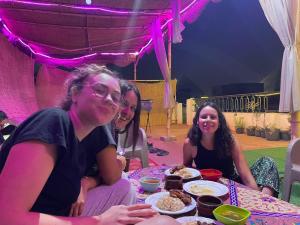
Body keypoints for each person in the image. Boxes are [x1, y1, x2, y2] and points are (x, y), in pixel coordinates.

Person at [0, 64, 179, 225]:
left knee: (158, 216)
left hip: (61, 213)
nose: (110, 100)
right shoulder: (53, 121)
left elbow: (109, 177)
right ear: (75, 93)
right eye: (100, 90)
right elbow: (6, 217)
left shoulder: (83, 139)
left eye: (116, 98)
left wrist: (86, 184)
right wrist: (99, 221)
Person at [70, 80, 142, 217]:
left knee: (125, 178)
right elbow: (111, 176)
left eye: (133, 108)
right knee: (126, 188)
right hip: (69, 203)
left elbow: (103, 173)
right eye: (124, 104)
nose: (128, 112)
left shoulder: (107, 127)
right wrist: (121, 161)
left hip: (78, 188)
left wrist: (89, 182)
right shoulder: (103, 123)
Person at [183, 101, 280, 196]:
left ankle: (264, 199)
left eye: (213, 117)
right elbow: (187, 169)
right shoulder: (190, 143)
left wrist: (255, 195)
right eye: (204, 117)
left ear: (219, 122)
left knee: (267, 162)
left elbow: (245, 174)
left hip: (232, 185)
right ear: (197, 121)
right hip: (205, 186)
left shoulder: (229, 141)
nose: (208, 120)